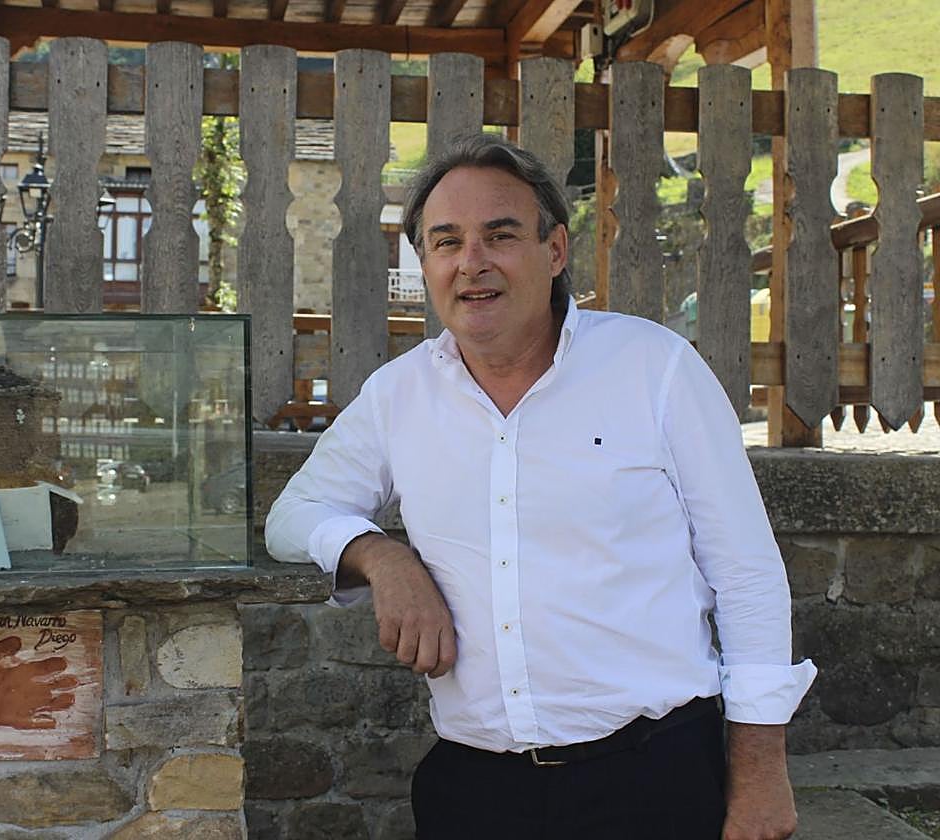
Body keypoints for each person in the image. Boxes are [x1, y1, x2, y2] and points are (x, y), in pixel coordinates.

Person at [265, 133, 816, 839]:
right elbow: (293, 516)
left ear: (554, 250)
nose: (472, 262)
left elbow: (746, 575)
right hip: (476, 791)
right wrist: (380, 556)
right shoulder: (398, 396)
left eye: (500, 235)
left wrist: (761, 773)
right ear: (425, 263)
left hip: (655, 779)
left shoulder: (655, 369)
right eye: (446, 242)